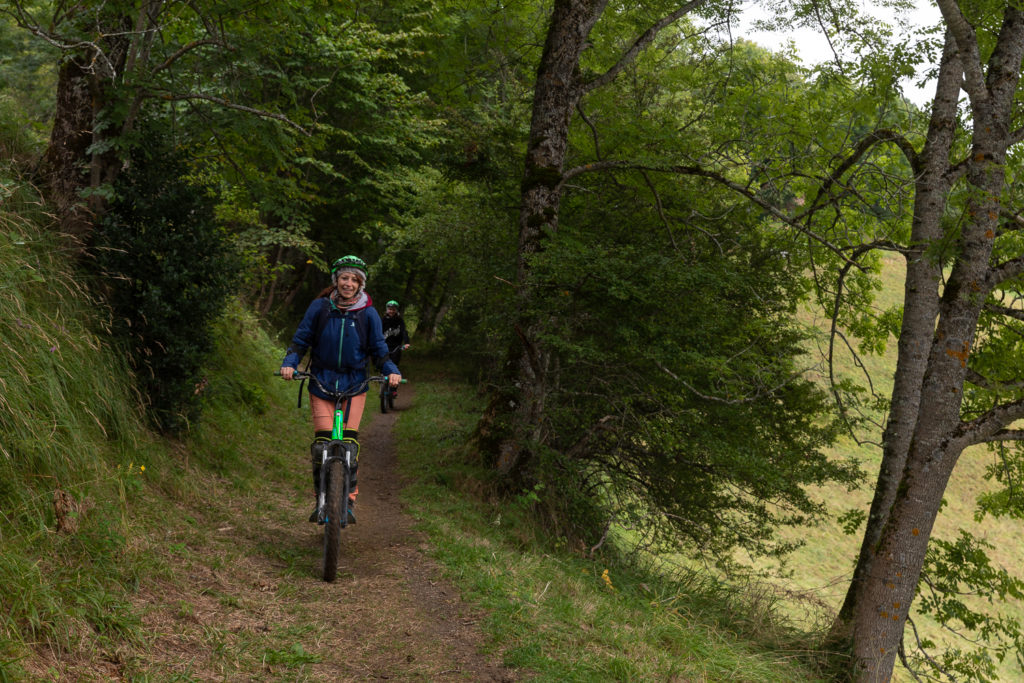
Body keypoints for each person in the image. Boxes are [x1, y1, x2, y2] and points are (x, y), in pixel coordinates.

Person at [279, 255, 400, 523]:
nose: (348, 283)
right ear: (336, 280)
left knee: (349, 443)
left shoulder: (368, 313)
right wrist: (290, 363)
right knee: (321, 446)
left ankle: (348, 499)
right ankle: (321, 498)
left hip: (355, 383)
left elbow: (379, 349)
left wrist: (391, 370)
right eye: (344, 278)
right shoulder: (320, 307)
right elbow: (301, 340)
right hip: (321, 381)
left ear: (360, 284)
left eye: (354, 279)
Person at [381, 300, 411, 368]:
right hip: (385, 345)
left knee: (394, 362)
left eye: (393, 309)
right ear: (387, 310)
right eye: (390, 309)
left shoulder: (399, 320)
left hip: (396, 346)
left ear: (396, 310)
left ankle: (393, 375)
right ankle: (383, 375)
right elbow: (378, 332)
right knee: (383, 362)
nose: (391, 311)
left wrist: (407, 342)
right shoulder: (383, 320)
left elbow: (404, 331)